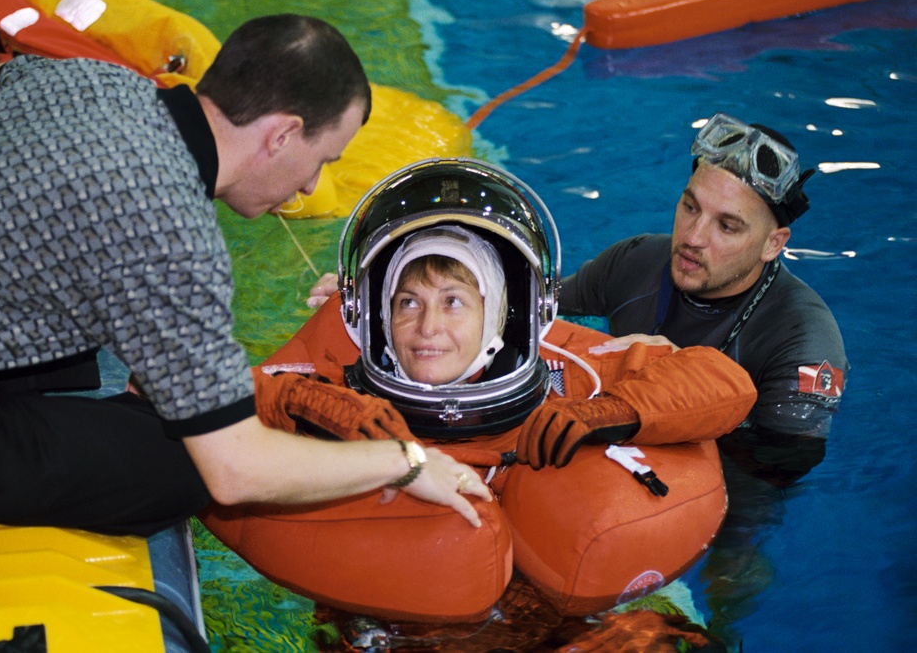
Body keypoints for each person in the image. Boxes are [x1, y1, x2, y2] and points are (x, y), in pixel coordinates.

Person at [0, 14, 492, 537]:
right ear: (283, 134)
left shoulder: (90, 80)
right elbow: (235, 471)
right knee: (181, 461)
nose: (313, 186)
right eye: (323, 160)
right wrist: (406, 461)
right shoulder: (170, 228)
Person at [201, 157, 757, 626]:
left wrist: (612, 412)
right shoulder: (339, 392)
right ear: (379, 316)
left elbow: (725, 384)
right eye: (408, 301)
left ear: (498, 317)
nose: (427, 328)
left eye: (454, 302)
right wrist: (314, 404)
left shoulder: (570, 375)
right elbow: (191, 404)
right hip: (401, 624)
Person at [560, 112, 847, 445]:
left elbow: (779, 468)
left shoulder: (803, 340)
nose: (692, 237)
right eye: (690, 207)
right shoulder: (634, 260)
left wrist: (690, 386)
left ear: (773, 244)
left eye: (726, 226)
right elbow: (533, 309)